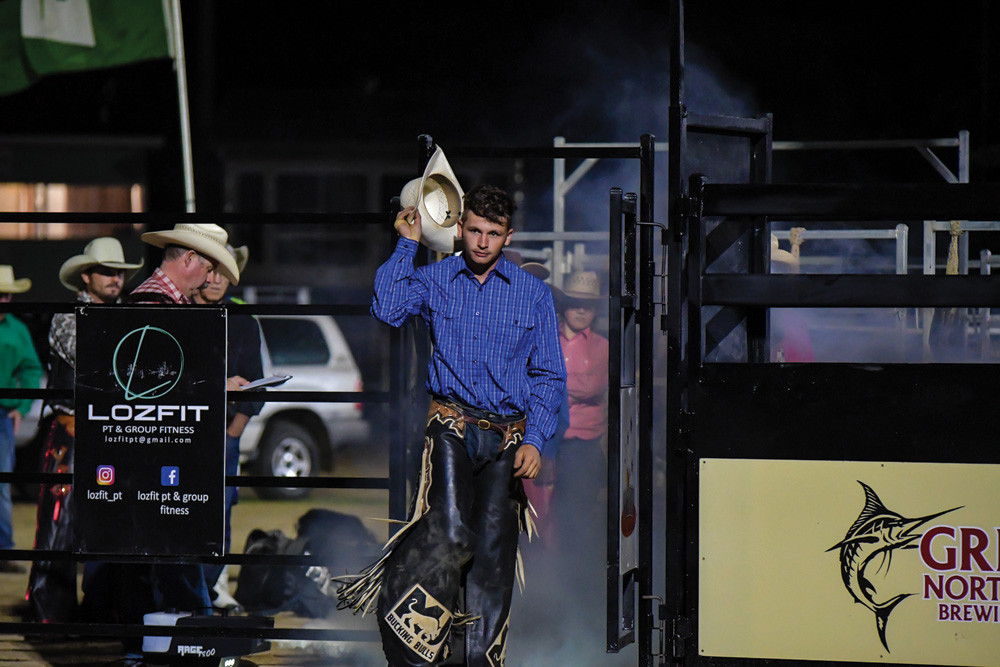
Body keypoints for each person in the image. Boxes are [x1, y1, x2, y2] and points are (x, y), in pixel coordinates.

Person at [335, 184, 566, 666]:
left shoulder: (533, 295)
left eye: (494, 234)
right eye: (475, 230)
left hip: (509, 437)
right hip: (452, 427)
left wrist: (539, 441)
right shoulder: (437, 278)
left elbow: (548, 375)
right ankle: (404, 619)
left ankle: (479, 660)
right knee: (455, 531)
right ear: (460, 229)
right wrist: (407, 242)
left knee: (493, 559)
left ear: (508, 236)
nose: (483, 242)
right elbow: (387, 306)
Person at [123, 223, 246, 617]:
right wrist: (216, 385)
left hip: (165, 447)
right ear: (189, 259)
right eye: (208, 267)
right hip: (161, 450)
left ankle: (174, 627)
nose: (212, 278)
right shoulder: (153, 305)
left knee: (173, 544)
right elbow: (153, 380)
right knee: (173, 543)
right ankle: (186, 625)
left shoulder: (162, 303)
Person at [27, 238, 142, 622]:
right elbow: (98, 361)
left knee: (107, 522)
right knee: (59, 522)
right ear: (87, 276)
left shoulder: (117, 314)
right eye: (108, 272)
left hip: (107, 432)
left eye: (120, 273)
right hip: (72, 433)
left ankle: (101, 606)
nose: (116, 279)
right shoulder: (68, 316)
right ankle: (50, 613)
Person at [192, 243, 264, 612]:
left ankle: (211, 590)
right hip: (184, 435)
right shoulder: (181, 315)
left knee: (221, 513)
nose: (218, 278)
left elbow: (256, 383)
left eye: (226, 271)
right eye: (212, 269)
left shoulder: (243, 321)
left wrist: (231, 434)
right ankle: (194, 595)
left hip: (221, 436)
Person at [550, 271, 609, 573]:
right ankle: (548, 577)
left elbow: (593, 387)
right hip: (546, 443)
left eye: (588, 305)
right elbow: (534, 379)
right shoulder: (546, 337)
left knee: (576, 518)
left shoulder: (602, 346)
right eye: (575, 303)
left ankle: (574, 577)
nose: (582, 310)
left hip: (582, 447)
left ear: (596, 309)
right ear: (563, 305)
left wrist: (555, 386)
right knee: (543, 518)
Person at [0, 265, 42, 574]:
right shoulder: (16, 330)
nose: (5, 299)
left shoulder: (17, 330)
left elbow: (31, 369)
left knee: (1, 484)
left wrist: (21, 405)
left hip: (2, 414)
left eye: (7, 294)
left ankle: (3, 550)